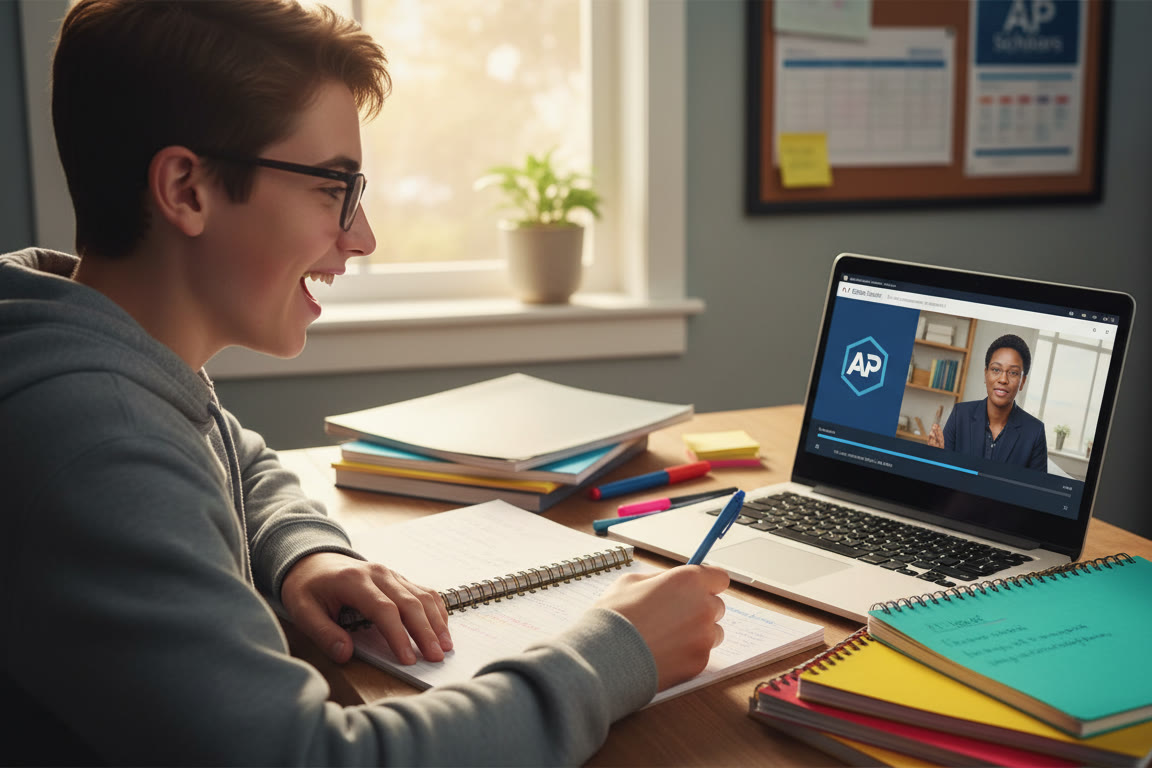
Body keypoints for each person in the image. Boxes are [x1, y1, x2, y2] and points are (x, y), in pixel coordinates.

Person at [0, 1, 730, 764]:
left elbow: (232, 457)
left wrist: (308, 554)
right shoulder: (100, 445)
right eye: (331, 188)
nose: (362, 235)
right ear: (187, 189)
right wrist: (612, 655)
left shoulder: (90, 349)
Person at [926, 334, 1048, 472]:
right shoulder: (960, 414)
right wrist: (935, 458)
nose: (1003, 379)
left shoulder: (1035, 432)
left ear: (1022, 382)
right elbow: (941, 474)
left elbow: (1037, 492)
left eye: (1013, 373)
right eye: (996, 369)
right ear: (986, 374)